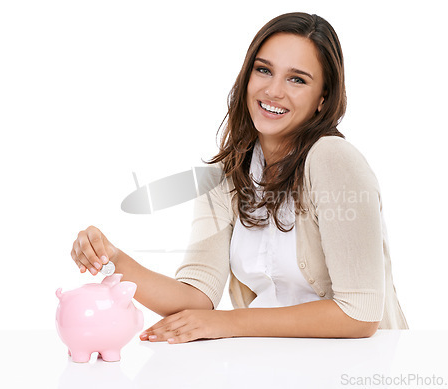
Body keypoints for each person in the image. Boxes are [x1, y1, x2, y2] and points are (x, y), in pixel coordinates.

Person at [70, 12, 408, 344]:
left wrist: (227, 322)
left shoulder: (333, 159)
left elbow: (360, 314)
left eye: (297, 79)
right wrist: (113, 259)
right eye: (264, 70)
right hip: (272, 366)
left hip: (358, 370)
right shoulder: (225, 176)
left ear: (323, 98)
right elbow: (197, 297)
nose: (274, 91)